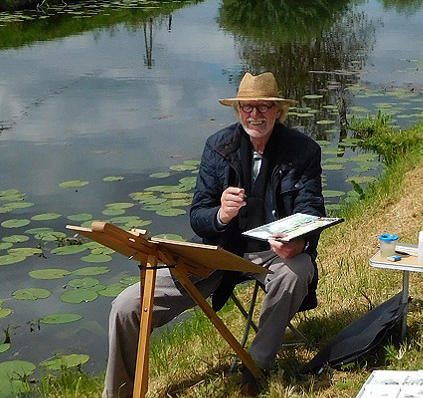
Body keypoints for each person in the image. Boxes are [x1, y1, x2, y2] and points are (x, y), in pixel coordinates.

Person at [105, 72, 324, 398]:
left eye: (264, 107)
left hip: (275, 254)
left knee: (298, 271)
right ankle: (118, 393)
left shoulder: (303, 150)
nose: (255, 115)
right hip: (219, 254)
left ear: (279, 111)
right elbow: (198, 216)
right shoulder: (218, 147)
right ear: (238, 111)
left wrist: (299, 241)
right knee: (126, 305)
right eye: (248, 107)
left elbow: (312, 209)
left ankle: (255, 367)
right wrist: (221, 215)